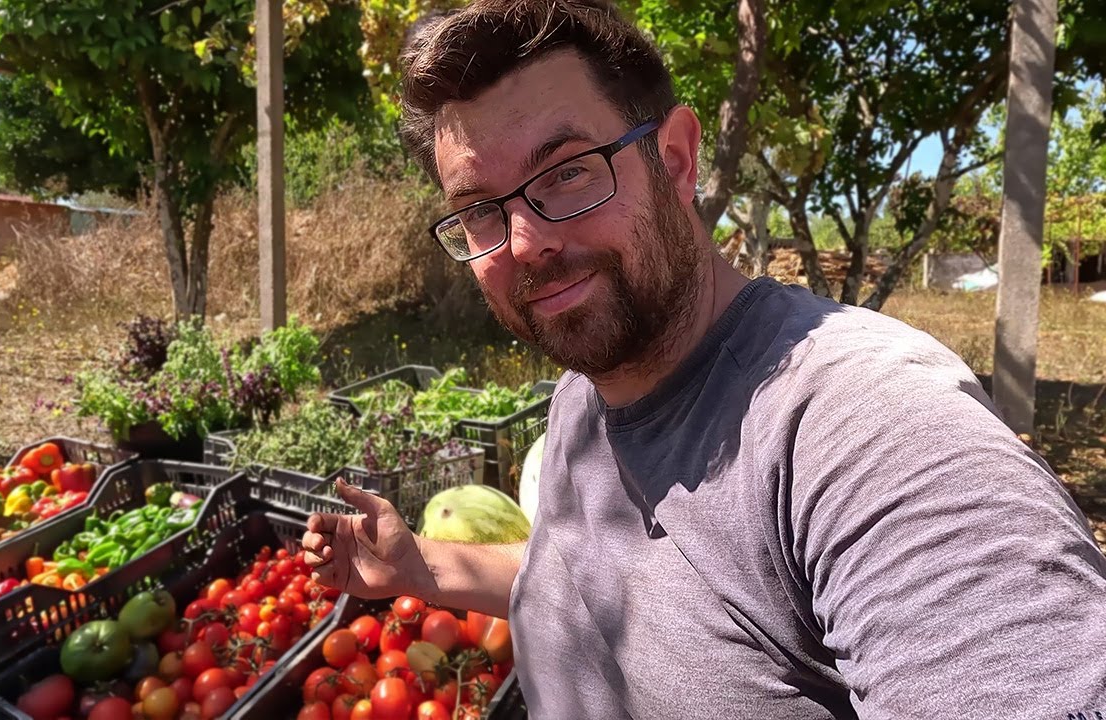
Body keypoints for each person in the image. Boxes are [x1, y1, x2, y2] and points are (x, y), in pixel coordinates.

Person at [301, 1, 1106, 717]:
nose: (525, 243)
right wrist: (424, 567)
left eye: (568, 171)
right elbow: (593, 579)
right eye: (479, 211)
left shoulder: (862, 426)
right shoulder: (586, 393)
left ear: (677, 160)